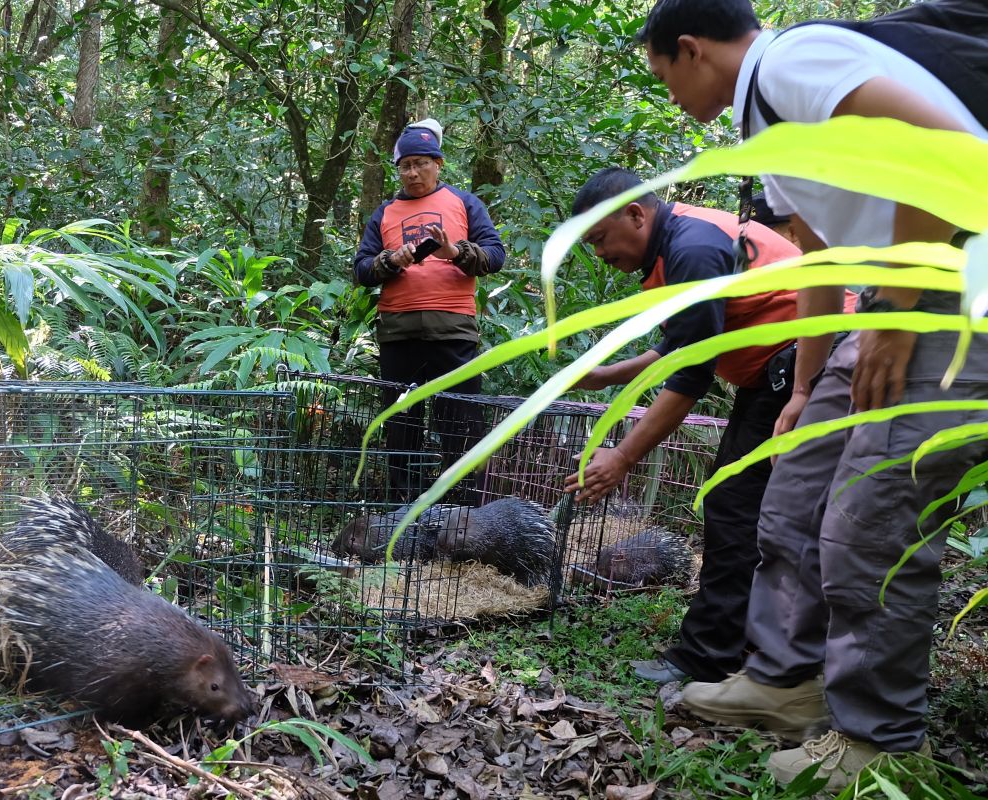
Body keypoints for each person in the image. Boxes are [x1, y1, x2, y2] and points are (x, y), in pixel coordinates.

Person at [637, 0, 988, 789]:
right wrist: (803, 391)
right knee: (795, 489)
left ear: (691, 50)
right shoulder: (764, 129)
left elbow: (947, 147)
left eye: (663, 77)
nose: (669, 99)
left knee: (876, 509)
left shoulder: (794, 62)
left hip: (957, 287)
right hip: (889, 299)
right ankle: (785, 680)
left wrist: (898, 313)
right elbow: (819, 264)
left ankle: (880, 743)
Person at [563, 167, 826, 686]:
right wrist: (606, 377)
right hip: (781, 371)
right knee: (764, 510)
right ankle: (760, 644)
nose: (600, 254)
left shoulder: (693, 249)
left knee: (734, 504)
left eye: (599, 238)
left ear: (635, 214)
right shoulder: (679, 248)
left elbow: (691, 374)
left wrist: (622, 457)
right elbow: (684, 343)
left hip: (808, 365)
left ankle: (707, 657)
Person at [353, 119, 506, 503]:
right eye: (405, 165)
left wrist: (454, 252)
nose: (413, 172)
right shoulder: (384, 213)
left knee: (460, 421)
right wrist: (391, 260)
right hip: (398, 335)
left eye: (421, 163)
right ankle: (404, 511)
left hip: (452, 333)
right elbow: (361, 270)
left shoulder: (464, 203)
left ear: (438, 164)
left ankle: (467, 513)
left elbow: (496, 255)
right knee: (401, 425)